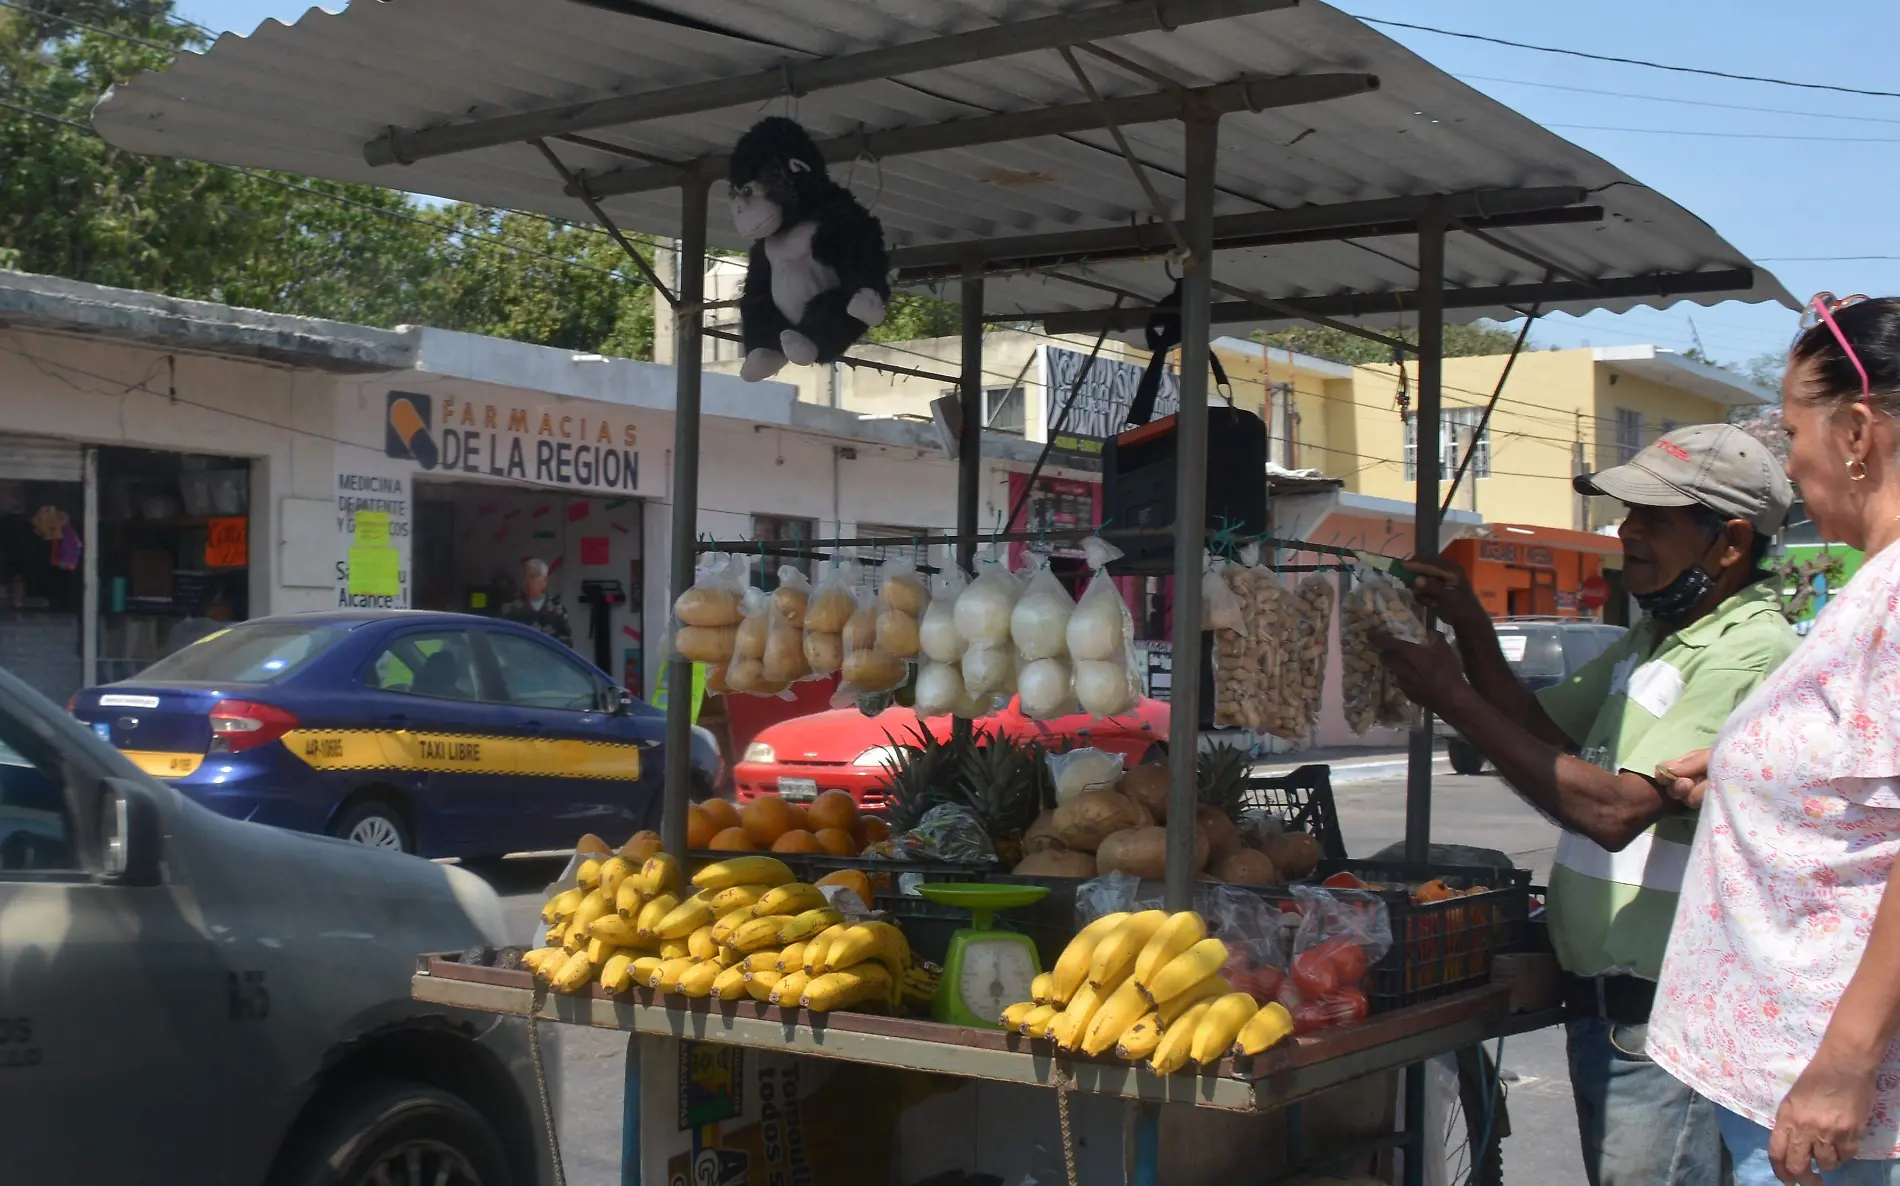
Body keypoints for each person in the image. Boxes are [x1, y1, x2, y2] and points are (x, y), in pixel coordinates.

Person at [1373, 422, 1798, 1186]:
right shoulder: (1657, 638)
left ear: (1730, 543)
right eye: (1625, 514)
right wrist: (1472, 628)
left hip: (1666, 1021)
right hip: (1612, 1014)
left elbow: (1613, 812)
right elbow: (1540, 732)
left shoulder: (1746, 651)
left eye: (1653, 519)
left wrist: (1449, 697)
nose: (1626, 533)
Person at [1647, 296, 1900, 1186]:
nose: (1789, 465)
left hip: (1830, 1099)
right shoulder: (1869, 585)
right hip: (1780, 1070)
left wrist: (1845, 1061)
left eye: (1794, 433)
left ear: (1858, 432)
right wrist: (1742, 772)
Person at [500, 557, 572, 647]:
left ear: (544, 581)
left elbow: (566, 641)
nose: (529, 581)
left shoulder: (556, 608)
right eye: (527, 576)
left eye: (533, 577)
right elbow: (503, 639)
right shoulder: (511, 607)